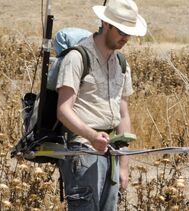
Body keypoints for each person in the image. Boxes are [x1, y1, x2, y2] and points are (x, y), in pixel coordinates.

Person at [55, 0, 147, 210]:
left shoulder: (122, 63)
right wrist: (92, 136)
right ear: (106, 24)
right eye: (122, 31)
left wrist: (124, 166)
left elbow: (123, 114)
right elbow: (63, 110)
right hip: (82, 150)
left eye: (129, 33)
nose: (126, 38)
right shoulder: (77, 58)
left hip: (111, 150)